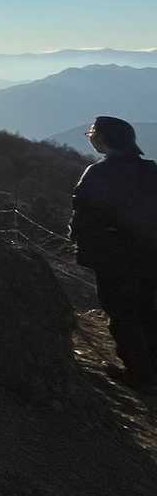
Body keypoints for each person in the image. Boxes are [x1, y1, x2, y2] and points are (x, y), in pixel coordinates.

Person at [68, 115, 157, 392]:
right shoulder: (150, 170)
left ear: (104, 139)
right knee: (149, 310)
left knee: (122, 314)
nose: (90, 138)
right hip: (150, 254)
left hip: (114, 258)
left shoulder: (97, 173)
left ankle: (139, 375)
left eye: (92, 133)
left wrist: (81, 247)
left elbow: (84, 216)